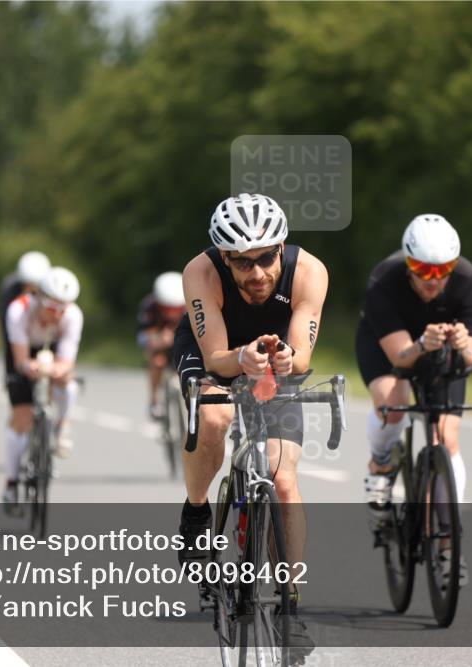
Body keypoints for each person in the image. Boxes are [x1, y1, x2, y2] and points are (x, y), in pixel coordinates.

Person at [173, 193, 328, 656]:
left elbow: (302, 355)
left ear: (281, 247)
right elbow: (216, 357)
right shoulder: (199, 273)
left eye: (265, 258)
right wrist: (240, 358)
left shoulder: (310, 271)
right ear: (224, 258)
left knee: (283, 480)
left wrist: (285, 360)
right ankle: (197, 510)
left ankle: (289, 606)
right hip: (215, 349)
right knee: (215, 415)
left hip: (276, 359)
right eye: (241, 263)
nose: (257, 273)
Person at [355, 214, 472, 586]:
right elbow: (399, 358)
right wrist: (419, 344)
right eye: (422, 270)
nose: (433, 280)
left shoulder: (470, 283)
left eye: (442, 270)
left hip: (440, 353)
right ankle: (381, 462)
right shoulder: (384, 281)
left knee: (446, 437)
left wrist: (461, 345)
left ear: (455, 265)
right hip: (390, 347)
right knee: (393, 402)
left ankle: (448, 539)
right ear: (408, 263)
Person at [1, 266, 84, 514]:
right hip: (24, 353)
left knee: (68, 385)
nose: (57, 314)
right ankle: (12, 482)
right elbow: (20, 361)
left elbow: (67, 361)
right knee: (22, 418)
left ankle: (62, 427)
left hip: (53, 351)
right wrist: (31, 367)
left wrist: (59, 371)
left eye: (62, 308)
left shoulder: (73, 315)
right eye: (51, 307)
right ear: (39, 298)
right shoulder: (18, 311)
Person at [136, 271, 186, 419]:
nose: (170, 315)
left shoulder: (191, 305)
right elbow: (141, 336)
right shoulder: (149, 307)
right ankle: (155, 400)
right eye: (166, 309)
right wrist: (157, 340)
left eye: (175, 309)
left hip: (182, 345)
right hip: (159, 347)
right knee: (157, 361)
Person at [0, 251, 51, 363]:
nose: (31, 292)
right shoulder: (10, 291)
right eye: (27, 286)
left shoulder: (52, 291)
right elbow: (6, 325)